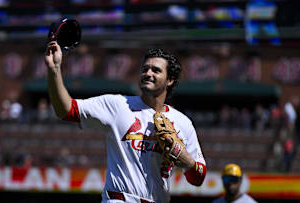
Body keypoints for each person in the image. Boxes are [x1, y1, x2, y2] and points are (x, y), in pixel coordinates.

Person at [45, 41, 206, 203]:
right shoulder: (118, 105)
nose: (148, 73)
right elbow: (66, 110)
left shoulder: (182, 123)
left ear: (170, 80)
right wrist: (54, 70)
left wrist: (185, 158)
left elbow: (198, 178)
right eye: (145, 69)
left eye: (156, 70)